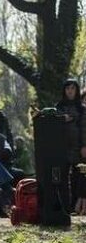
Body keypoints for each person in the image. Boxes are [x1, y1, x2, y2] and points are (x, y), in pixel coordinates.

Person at [56, 78, 86, 215]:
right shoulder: (58, 107)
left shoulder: (82, 108)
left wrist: (84, 145)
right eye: (67, 88)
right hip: (61, 147)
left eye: (73, 88)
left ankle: (75, 206)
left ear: (77, 90)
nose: (70, 91)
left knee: (77, 177)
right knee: (61, 178)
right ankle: (64, 207)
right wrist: (63, 119)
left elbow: (84, 128)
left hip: (77, 146)